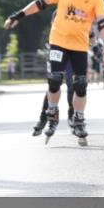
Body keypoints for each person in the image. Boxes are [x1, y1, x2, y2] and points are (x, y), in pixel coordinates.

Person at [4, 0, 104, 146]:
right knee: (54, 79)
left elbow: (102, 22)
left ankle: (78, 118)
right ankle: (51, 112)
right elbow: (41, 3)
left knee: (80, 84)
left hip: (79, 45)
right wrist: (18, 15)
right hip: (58, 42)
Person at [32, 9, 76, 137]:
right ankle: (44, 116)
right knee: (53, 84)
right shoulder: (57, 12)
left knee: (72, 84)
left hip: (72, 51)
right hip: (57, 50)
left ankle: (72, 115)